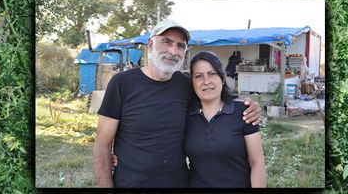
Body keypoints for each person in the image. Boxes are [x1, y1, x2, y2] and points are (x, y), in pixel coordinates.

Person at [92, 19, 260, 188]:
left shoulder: (186, 84)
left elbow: (214, 99)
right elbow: (102, 144)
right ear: (150, 44)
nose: (173, 51)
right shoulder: (122, 83)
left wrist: (250, 106)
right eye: (167, 42)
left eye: (180, 46)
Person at [186, 51, 266, 187]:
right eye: (199, 76)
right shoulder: (187, 116)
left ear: (222, 78)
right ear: (192, 82)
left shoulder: (244, 112)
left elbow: (256, 162)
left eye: (212, 74)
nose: (206, 81)